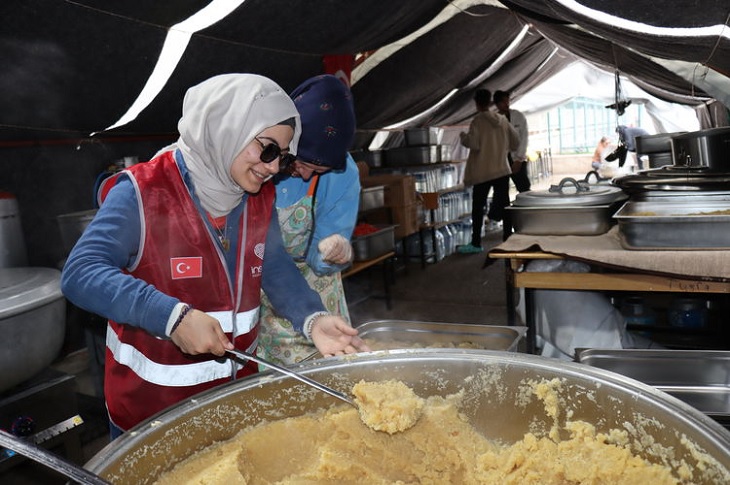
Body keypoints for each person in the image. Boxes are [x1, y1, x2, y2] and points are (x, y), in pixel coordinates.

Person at [60, 73, 368, 438]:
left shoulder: (256, 196)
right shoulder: (143, 192)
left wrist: (312, 318)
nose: (272, 168)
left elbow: (272, 264)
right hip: (152, 416)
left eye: (282, 157)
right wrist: (172, 318)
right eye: (267, 149)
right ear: (228, 127)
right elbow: (80, 273)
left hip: (233, 402)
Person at [258, 74, 360, 365]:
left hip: (318, 293)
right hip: (263, 290)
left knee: (326, 374)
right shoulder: (259, 161)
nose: (305, 175)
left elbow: (322, 255)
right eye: (301, 162)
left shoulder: (343, 175)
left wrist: (334, 251)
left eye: (318, 171)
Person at [458, 89, 519, 253]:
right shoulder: (502, 120)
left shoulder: (477, 121)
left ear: (477, 103)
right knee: (505, 205)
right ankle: (507, 238)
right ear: (491, 102)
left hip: (482, 171)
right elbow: (516, 141)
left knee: (478, 207)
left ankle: (476, 243)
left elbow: (475, 144)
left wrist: (464, 137)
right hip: (501, 169)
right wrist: (504, 148)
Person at [494, 90, 530, 193]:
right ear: (497, 104)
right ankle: (503, 208)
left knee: (524, 188)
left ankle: (525, 208)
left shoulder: (518, 116)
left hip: (517, 159)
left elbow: (524, 138)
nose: (506, 104)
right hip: (501, 161)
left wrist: (519, 159)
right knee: (501, 191)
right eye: (503, 102)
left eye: (507, 101)